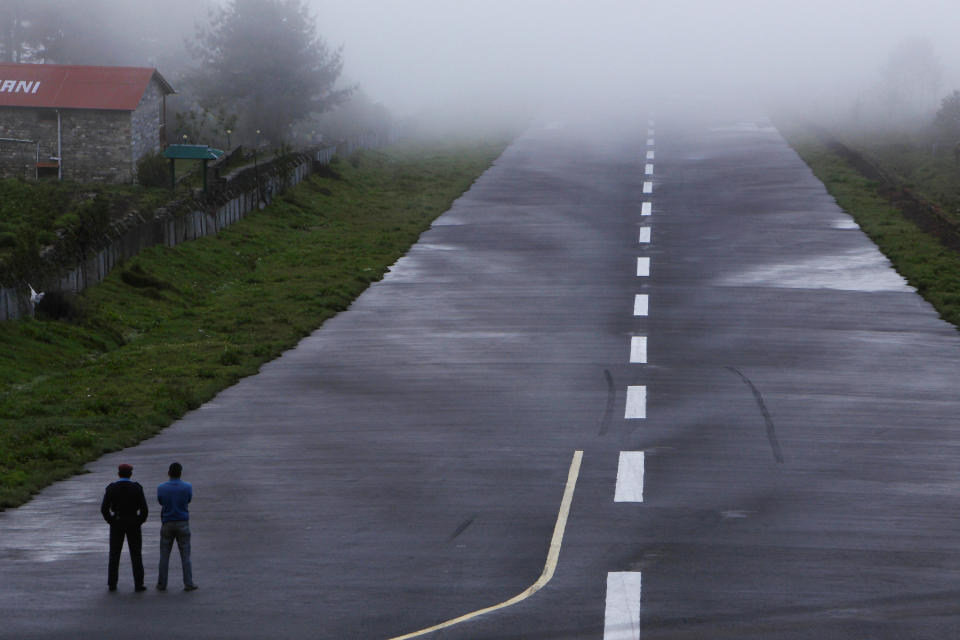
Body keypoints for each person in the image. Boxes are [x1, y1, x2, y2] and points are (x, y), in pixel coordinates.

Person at [100, 463, 148, 592]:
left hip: (117, 521)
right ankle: (138, 583)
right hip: (133, 521)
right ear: (130, 474)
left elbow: (104, 508)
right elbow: (144, 509)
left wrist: (111, 521)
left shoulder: (111, 488)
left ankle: (112, 583)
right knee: (136, 553)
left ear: (119, 473)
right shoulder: (137, 488)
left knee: (114, 554)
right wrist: (139, 521)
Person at [156, 462, 197, 591]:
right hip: (182, 522)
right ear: (180, 473)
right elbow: (189, 500)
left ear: (169, 473)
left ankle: (162, 583)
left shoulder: (161, 487)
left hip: (167, 522)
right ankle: (188, 583)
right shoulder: (187, 486)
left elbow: (160, 501)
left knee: (164, 555)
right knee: (185, 555)